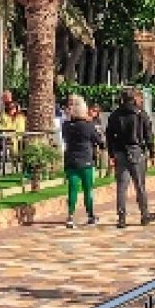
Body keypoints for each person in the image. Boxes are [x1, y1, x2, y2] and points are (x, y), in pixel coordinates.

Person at [105, 87, 155, 228]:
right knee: (140, 185)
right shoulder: (140, 114)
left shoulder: (115, 115)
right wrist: (152, 152)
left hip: (120, 152)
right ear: (134, 98)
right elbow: (148, 135)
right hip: (136, 151)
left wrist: (111, 154)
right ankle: (144, 214)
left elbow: (109, 136)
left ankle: (121, 217)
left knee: (121, 187)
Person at [61, 96, 104, 228]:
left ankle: (70, 216)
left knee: (72, 190)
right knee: (88, 190)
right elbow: (99, 141)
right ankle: (90, 215)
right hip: (86, 161)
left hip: (71, 161)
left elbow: (65, 135)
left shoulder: (66, 126)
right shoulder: (88, 126)